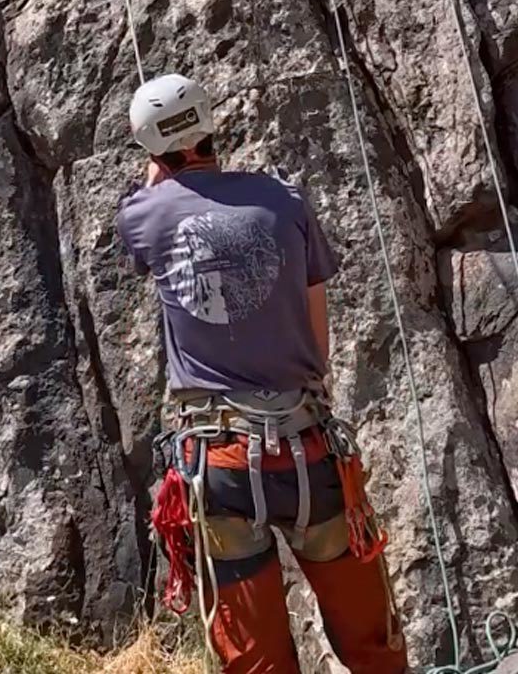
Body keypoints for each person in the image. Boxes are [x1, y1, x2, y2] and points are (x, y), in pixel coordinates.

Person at [115, 73, 405, 674]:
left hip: (219, 464)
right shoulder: (285, 201)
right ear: (212, 123)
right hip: (308, 447)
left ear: (149, 148)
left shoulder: (144, 215)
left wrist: (159, 179)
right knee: (373, 649)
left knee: (257, 664)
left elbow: (147, 234)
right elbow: (314, 300)